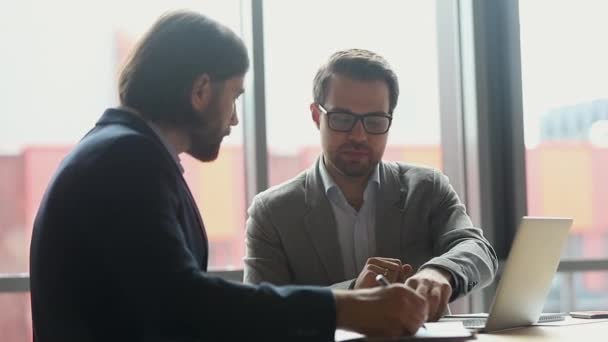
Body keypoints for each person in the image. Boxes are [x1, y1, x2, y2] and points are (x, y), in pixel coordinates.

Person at [29, 12, 429, 342]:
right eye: (235, 96)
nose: (235, 119)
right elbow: (184, 303)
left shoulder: (120, 152)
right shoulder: (125, 160)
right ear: (202, 90)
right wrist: (348, 308)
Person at [244, 49, 498, 321]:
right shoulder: (272, 212)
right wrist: (352, 294)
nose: (359, 135)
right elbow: (260, 313)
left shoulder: (427, 188)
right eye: (342, 119)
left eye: (375, 121)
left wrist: (440, 271)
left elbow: (478, 249)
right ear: (317, 116)